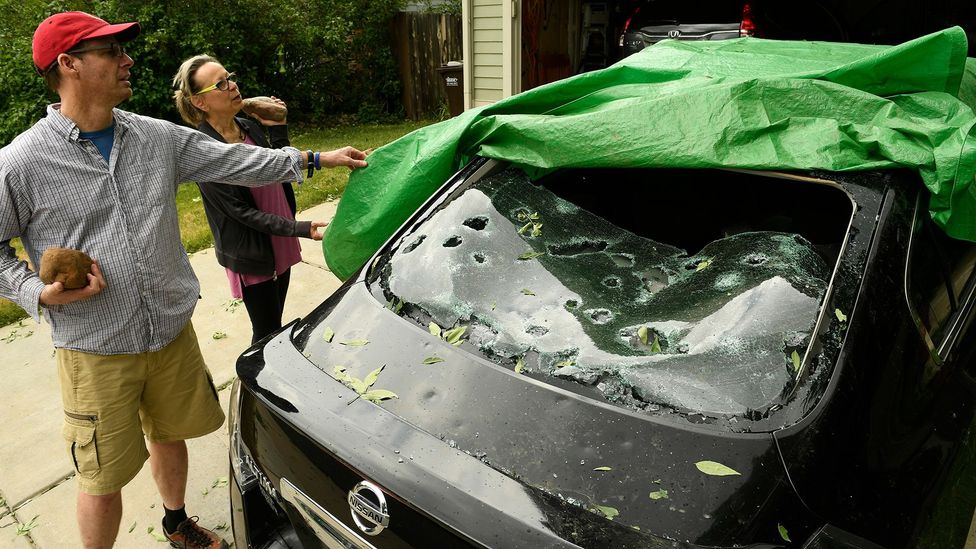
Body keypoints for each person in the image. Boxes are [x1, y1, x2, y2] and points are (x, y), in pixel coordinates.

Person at [0, 11, 367, 549]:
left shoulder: (154, 138)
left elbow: (237, 161)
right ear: (69, 65)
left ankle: (176, 522)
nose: (128, 61)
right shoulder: (22, 163)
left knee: (169, 435)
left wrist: (316, 159)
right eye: (112, 52)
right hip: (96, 348)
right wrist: (36, 292)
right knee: (100, 477)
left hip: (170, 333)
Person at [173, 55, 324, 343]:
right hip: (252, 251)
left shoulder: (248, 127)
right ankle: (252, 384)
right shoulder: (204, 149)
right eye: (221, 84)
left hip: (279, 237)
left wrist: (278, 127)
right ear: (200, 102)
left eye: (230, 77)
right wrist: (300, 228)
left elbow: (281, 167)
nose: (232, 86)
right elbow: (239, 211)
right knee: (266, 331)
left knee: (276, 321)